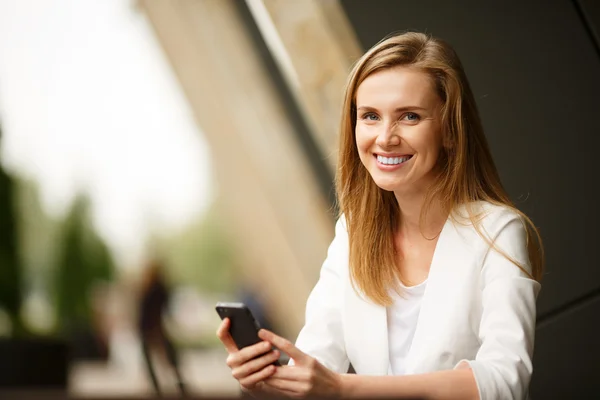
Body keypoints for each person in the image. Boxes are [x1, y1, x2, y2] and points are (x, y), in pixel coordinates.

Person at [217, 31, 544, 400]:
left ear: (450, 130)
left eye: (409, 116)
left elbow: (504, 380)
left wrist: (343, 387)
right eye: (370, 116)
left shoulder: (498, 231)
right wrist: (265, 379)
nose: (385, 137)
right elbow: (314, 363)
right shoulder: (354, 233)